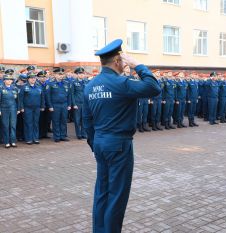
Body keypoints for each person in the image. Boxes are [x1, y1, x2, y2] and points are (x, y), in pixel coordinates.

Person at [83, 39, 161, 233]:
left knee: (102, 192)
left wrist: (94, 145)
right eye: (123, 61)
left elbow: (87, 120)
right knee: (117, 194)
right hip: (118, 143)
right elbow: (154, 88)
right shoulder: (122, 82)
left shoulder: (90, 86)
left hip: (100, 143)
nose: (125, 65)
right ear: (118, 60)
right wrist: (138, 65)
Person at [46, 68, 71, 142]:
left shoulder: (66, 83)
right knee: (56, 121)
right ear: (55, 75)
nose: (61, 76)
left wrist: (69, 104)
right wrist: (50, 106)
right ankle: (57, 137)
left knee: (63, 120)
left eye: (62, 74)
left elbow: (69, 95)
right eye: (59, 74)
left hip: (64, 104)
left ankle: (63, 136)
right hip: (55, 105)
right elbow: (48, 96)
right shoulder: (50, 84)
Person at [19, 72, 45, 144]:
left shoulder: (39, 86)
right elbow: (20, 98)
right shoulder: (24, 87)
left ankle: (35, 138)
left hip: (37, 108)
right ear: (28, 79)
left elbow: (42, 97)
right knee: (28, 123)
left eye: (34, 78)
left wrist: (42, 106)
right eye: (31, 78)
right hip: (27, 108)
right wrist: (21, 107)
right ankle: (29, 139)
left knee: (36, 123)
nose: (33, 79)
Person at [0, 74, 20, 148]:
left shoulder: (15, 88)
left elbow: (18, 100)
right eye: (7, 79)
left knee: (13, 126)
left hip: (13, 109)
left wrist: (18, 109)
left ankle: (13, 141)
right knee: (5, 126)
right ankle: (6, 142)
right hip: (4, 109)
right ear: (4, 80)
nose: (9, 81)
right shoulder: (1, 88)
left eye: (10, 80)